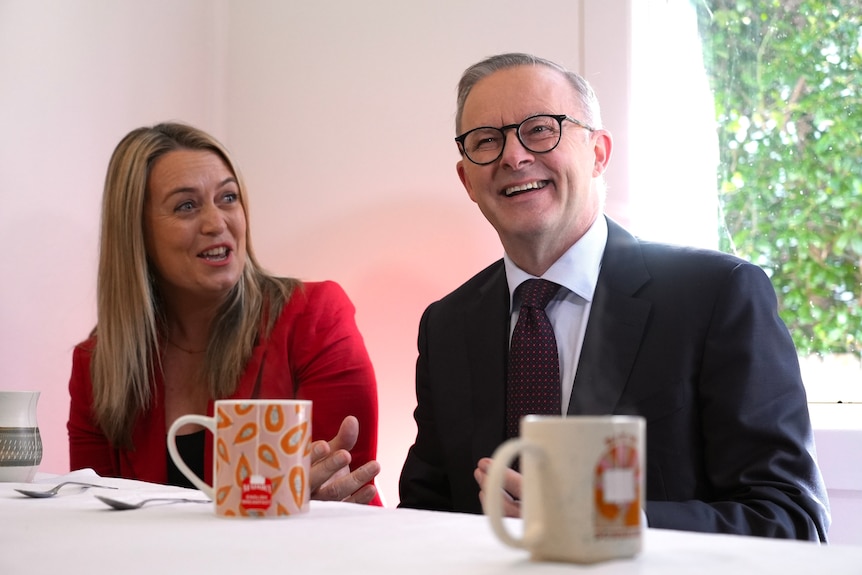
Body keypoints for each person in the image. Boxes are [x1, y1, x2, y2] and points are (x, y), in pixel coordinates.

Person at [398, 53, 830, 540]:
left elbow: (792, 519)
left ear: (599, 153)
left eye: (540, 129)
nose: (513, 156)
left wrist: (609, 522)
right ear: (467, 181)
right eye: (486, 141)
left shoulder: (716, 296)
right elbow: (424, 515)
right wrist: (336, 515)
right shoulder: (447, 325)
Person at [68, 122, 381, 505]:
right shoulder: (98, 364)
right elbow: (89, 510)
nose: (217, 223)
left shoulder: (315, 317)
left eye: (228, 198)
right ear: (137, 233)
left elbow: (348, 488)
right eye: (186, 206)